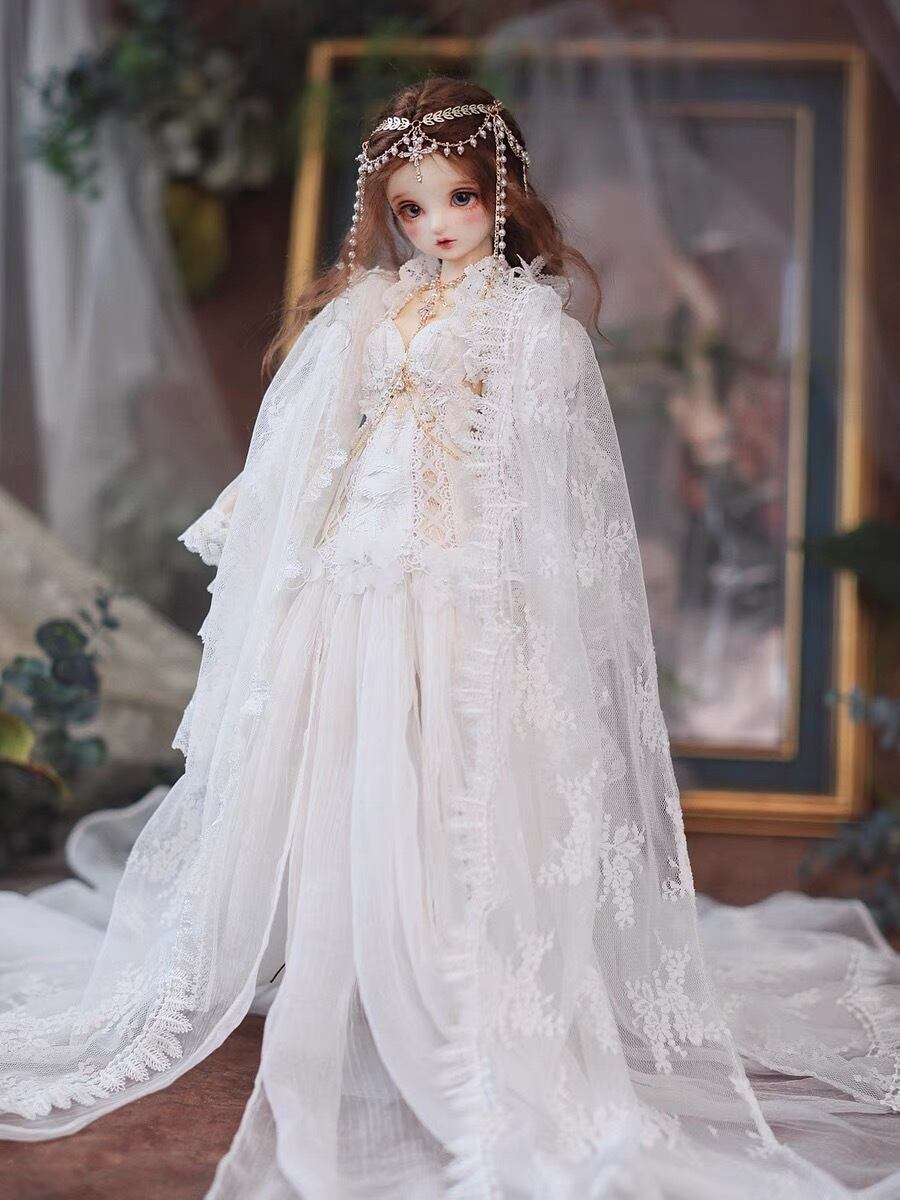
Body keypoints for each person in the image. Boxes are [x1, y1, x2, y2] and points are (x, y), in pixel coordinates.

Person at [1, 76, 899, 1200]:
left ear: (501, 194)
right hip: (353, 563)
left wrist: (519, 590)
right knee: (341, 747)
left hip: (463, 565)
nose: (435, 225)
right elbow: (316, 434)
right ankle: (349, 949)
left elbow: (553, 482)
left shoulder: (532, 329)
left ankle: (441, 961)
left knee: (451, 758)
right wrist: (263, 518)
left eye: (459, 200)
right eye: (412, 207)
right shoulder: (370, 308)